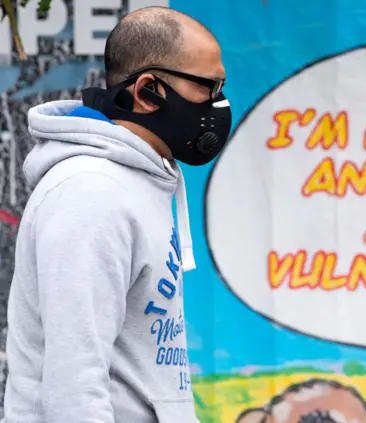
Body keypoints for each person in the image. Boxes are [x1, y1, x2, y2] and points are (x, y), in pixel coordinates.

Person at [2, 6, 231, 423]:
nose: (219, 104)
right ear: (148, 91)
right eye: (209, 87)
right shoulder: (90, 193)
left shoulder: (140, 185)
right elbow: (74, 388)